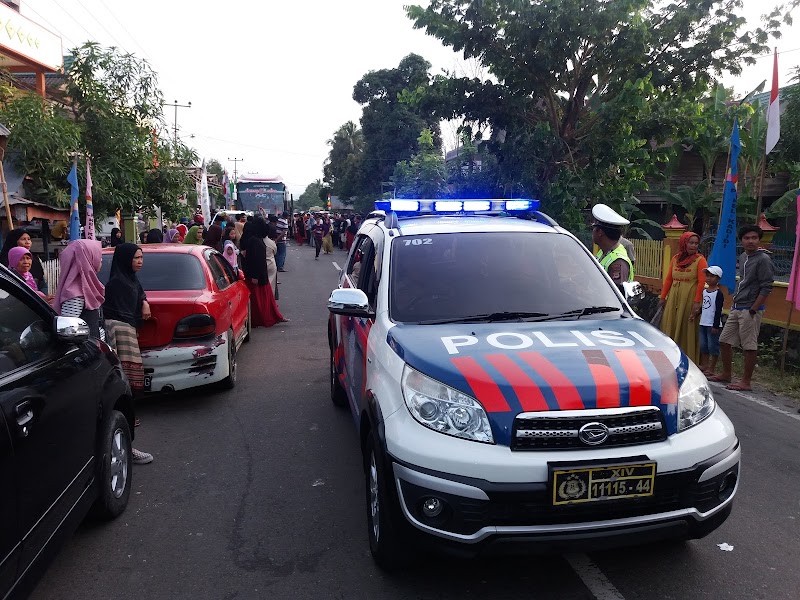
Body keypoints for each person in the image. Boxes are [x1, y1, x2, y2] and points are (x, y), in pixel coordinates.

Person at [102, 243, 153, 465]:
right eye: (136, 258)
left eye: (141, 257)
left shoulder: (129, 279)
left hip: (128, 330)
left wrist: (143, 302)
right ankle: (126, 441)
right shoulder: (116, 284)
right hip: (120, 332)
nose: (140, 261)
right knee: (126, 379)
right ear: (125, 260)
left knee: (131, 378)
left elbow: (139, 290)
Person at [711, 225, 774, 391]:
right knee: (724, 341)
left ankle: (746, 382)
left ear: (759, 240)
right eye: (747, 238)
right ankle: (726, 373)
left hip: (751, 308)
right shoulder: (744, 256)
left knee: (749, 346)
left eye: (754, 238)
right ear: (742, 241)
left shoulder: (763, 259)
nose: (750, 241)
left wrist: (754, 308)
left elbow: (767, 286)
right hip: (737, 306)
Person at [658, 231, 707, 364]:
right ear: (684, 243)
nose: (694, 246)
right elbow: (668, 279)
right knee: (671, 323)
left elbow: (702, 283)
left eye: (696, 243)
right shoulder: (675, 259)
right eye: (691, 243)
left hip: (689, 298)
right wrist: (663, 297)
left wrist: (697, 302)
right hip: (674, 297)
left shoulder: (700, 260)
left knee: (687, 326)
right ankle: (669, 355)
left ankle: (687, 357)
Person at [55, 239, 106, 340]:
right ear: (86, 259)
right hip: (87, 351)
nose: (100, 260)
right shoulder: (76, 294)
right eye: (97, 255)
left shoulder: (85, 288)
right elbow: (68, 330)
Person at [241, 219, 287, 327]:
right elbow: (255, 260)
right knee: (260, 300)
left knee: (264, 298)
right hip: (258, 275)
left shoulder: (256, 240)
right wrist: (255, 276)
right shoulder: (255, 241)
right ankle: (263, 319)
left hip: (261, 274)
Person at [591, 204, 633, 291]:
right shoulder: (603, 253)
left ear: (600, 232)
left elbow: (616, 297)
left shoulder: (618, 262)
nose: (592, 232)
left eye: (593, 228)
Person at [1, 228, 47, 292]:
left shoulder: (35, 259)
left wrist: (42, 298)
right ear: (14, 241)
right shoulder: (4, 263)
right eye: (23, 239)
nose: (27, 242)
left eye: (29, 239)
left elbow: (42, 284)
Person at [699, 265, 725, 376]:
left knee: (712, 346)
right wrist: (697, 313)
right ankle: (704, 364)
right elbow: (704, 306)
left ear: (718, 278)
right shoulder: (704, 292)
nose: (709, 278)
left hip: (712, 324)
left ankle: (712, 367)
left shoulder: (718, 294)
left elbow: (718, 310)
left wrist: (715, 325)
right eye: (707, 276)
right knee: (703, 345)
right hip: (703, 322)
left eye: (712, 276)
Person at [264, 224, 280, 300]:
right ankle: (270, 299)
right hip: (270, 263)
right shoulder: (271, 242)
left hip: (261, 264)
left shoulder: (256, 240)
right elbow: (275, 252)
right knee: (271, 283)